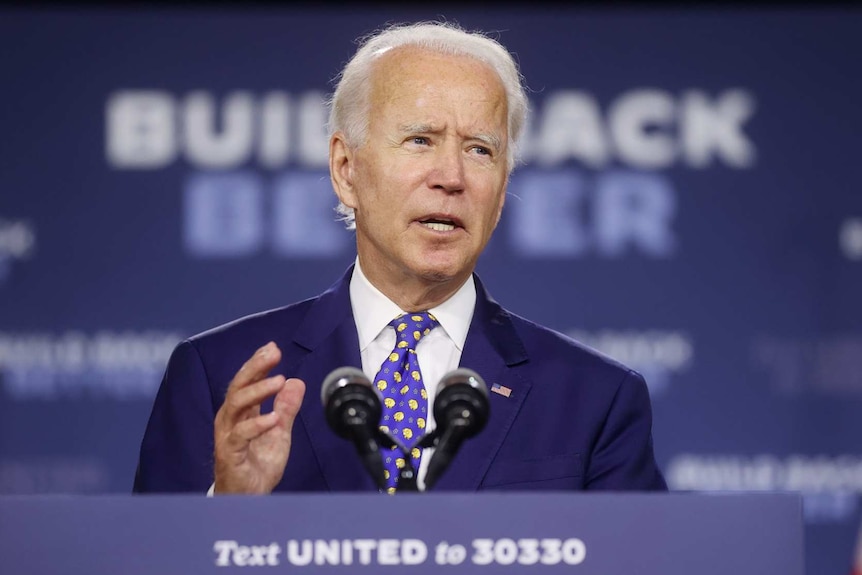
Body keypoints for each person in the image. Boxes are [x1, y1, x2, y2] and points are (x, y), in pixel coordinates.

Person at [133, 20, 667, 495]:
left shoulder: (595, 398)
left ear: (501, 191)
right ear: (346, 169)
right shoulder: (217, 376)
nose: (452, 177)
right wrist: (225, 515)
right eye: (420, 140)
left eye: (480, 150)